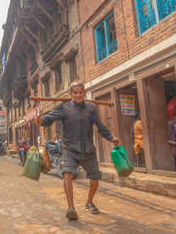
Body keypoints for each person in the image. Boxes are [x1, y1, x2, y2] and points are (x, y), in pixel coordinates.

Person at [36, 82, 119, 221]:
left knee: (95, 177)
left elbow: (97, 124)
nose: (78, 95)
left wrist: (111, 138)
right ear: (71, 94)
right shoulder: (64, 108)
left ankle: (89, 202)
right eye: (75, 92)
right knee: (67, 174)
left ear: (84, 93)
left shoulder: (91, 109)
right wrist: (40, 120)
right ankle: (71, 208)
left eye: (81, 92)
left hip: (88, 149)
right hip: (70, 149)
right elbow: (48, 119)